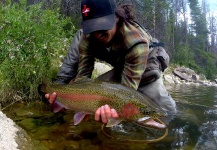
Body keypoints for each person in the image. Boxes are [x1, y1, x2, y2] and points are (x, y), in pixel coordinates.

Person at [45, 0, 176, 125]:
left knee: (168, 113)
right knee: (100, 99)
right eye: (92, 27)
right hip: (121, 68)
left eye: (101, 25)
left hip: (147, 69)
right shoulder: (88, 36)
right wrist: (80, 103)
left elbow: (126, 94)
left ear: (116, 17)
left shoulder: (136, 41)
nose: (96, 34)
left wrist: (117, 111)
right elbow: (83, 79)